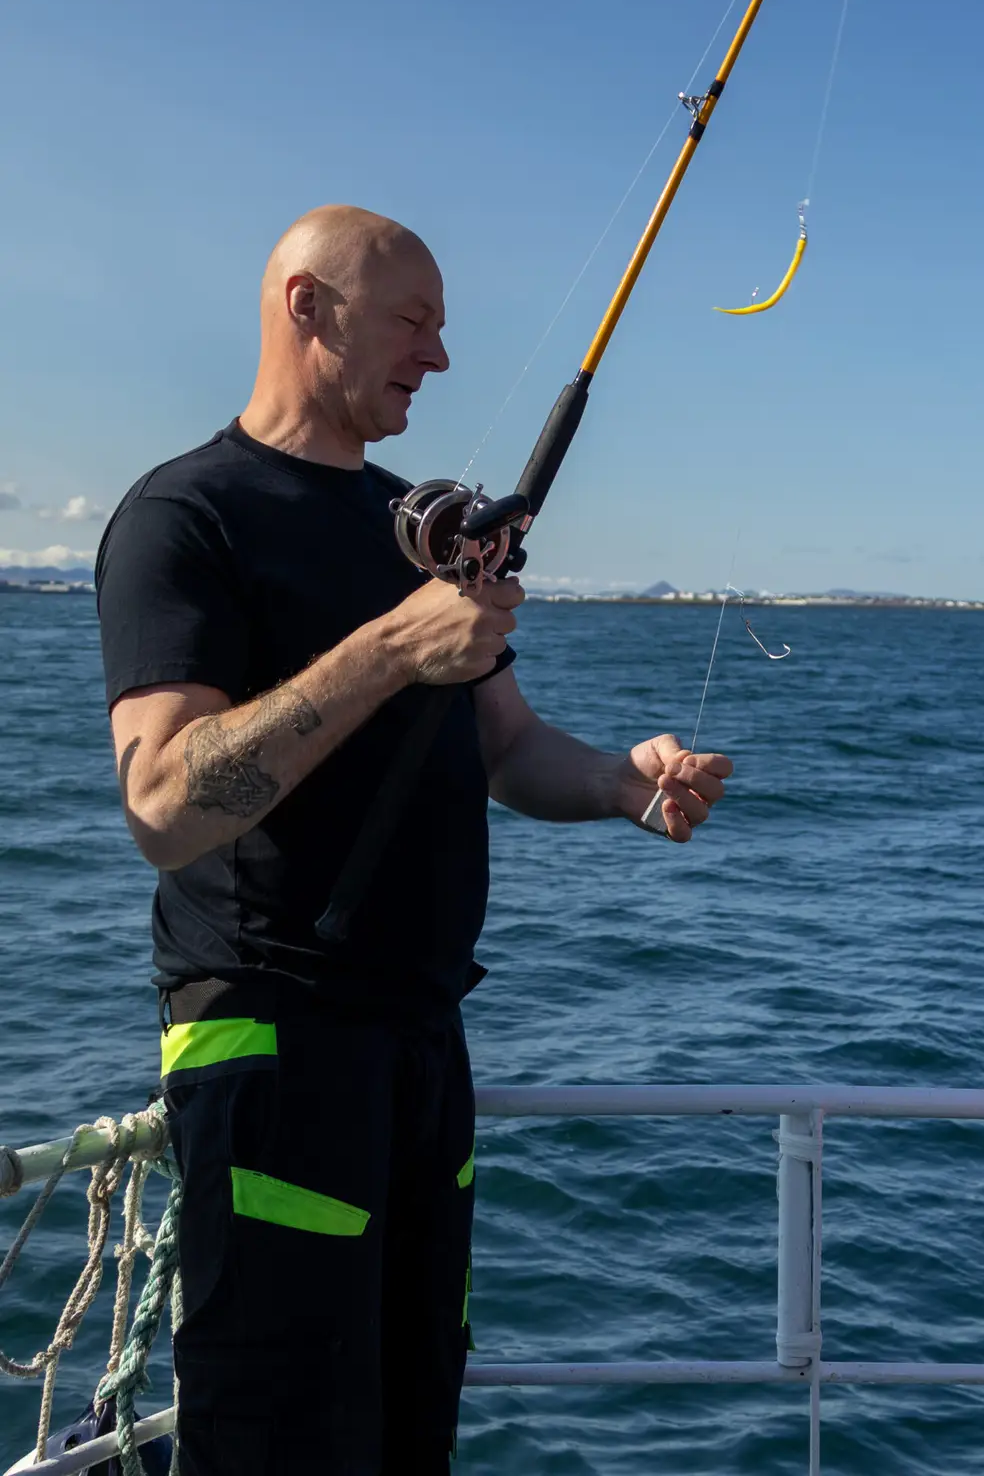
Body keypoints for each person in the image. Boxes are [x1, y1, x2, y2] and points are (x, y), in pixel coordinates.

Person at [95, 205, 733, 1476]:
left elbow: (504, 746)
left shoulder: (419, 527)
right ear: (308, 306)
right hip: (272, 1048)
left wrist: (619, 783)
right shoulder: (186, 515)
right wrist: (392, 646)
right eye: (414, 322)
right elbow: (163, 805)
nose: (439, 358)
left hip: (425, 1050)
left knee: (409, 1428)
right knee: (282, 1438)